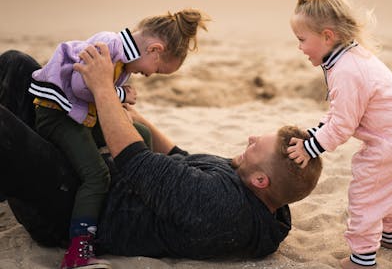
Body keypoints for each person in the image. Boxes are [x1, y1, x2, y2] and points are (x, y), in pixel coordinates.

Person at [0, 48, 322, 263]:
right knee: (17, 66)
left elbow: (137, 162)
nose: (250, 138)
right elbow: (180, 156)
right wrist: (134, 117)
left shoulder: (223, 209)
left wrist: (103, 89)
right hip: (91, 172)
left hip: (72, 208)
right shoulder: (264, 195)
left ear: (261, 180)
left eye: (256, 146)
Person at [27, 8, 209, 269]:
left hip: (79, 115)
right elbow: (81, 84)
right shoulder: (108, 46)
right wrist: (119, 94)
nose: (149, 75)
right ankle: (79, 250)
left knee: (142, 133)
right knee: (96, 176)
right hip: (58, 115)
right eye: (156, 69)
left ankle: (130, 191)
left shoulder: (123, 58)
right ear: (154, 49)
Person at [286, 0, 392, 268]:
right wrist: (313, 134)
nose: (299, 48)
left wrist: (310, 149)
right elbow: (340, 115)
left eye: (302, 40)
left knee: (366, 190)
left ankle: (363, 258)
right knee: (384, 185)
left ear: (327, 36)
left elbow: (342, 127)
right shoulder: (350, 58)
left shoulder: (346, 70)